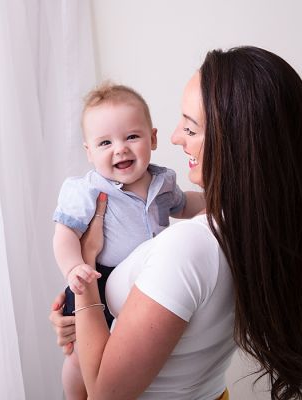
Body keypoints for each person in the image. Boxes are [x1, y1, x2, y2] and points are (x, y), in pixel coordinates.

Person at [50, 46, 302, 400]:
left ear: (238, 144)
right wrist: (87, 320)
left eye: (191, 129)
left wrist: (86, 278)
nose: (175, 138)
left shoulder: (189, 247)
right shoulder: (254, 229)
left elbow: (106, 395)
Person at [52, 83, 204, 399]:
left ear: (153, 138)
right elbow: (65, 235)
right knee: (81, 356)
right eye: (105, 142)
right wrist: (75, 269)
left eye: (131, 137)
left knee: (121, 352)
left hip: (143, 279)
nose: (120, 148)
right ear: (89, 152)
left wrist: (216, 201)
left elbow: (186, 205)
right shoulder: (88, 191)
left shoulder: (162, 182)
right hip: (96, 277)